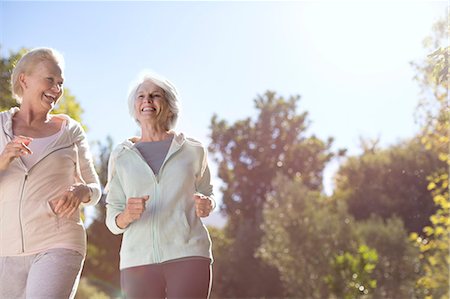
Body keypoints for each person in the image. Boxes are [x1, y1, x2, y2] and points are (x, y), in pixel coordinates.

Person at [0, 47, 101, 299]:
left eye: (60, 83)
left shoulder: (70, 131)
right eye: (50, 80)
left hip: (58, 241)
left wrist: (80, 191)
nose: (57, 89)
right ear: (24, 79)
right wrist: (3, 160)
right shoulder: (0, 127)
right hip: (5, 248)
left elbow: (95, 188)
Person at [105, 70, 215, 299]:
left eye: (155, 96)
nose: (147, 100)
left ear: (170, 105)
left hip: (188, 253)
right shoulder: (122, 157)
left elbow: (208, 192)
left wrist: (207, 204)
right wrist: (127, 215)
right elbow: (112, 219)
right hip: (137, 260)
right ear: (134, 107)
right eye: (141, 96)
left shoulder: (193, 150)